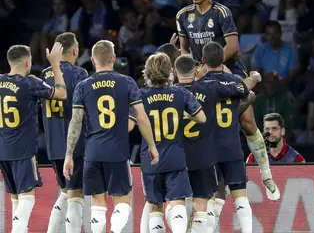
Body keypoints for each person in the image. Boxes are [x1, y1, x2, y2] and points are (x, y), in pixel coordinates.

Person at [63, 40, 159, 233]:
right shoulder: (128, 82)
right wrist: (152, 145)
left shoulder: (83, 86)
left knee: (98, 203)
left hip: (93, 152)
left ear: (92, 60)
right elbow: (141, 117)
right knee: (123, 202)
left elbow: (76, 121)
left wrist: (69, 154)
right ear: (113, 58)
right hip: (118, 151)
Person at [175, 54, 263, 233]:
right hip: (208, 153)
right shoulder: (209, 88)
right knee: (210, 203)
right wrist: (254, 78)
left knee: (176, 204)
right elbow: (244, 90)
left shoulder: (172, 93)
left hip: (180, 155)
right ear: (196, 69)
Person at [200, 42, 279, 233]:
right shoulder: (235, 83)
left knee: (212, 198)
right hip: (232, 147)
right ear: (222, 60)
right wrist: (254, 77)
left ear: (203, 61)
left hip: (209, 149)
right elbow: (249, 93)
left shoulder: (199, 86)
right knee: (241, 198)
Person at [0, 43, 67, 233]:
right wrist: (55, 64)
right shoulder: (29, 83)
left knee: (15, 198)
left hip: (3, 149)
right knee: (27, 198)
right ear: (28, 61)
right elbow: (61, 93)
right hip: (22, 149)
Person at [140, 53, 206, 233]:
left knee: (155, 208)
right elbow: (201, 117)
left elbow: (130, 124)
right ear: (170, 71)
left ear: (147, 72)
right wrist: (181, 113)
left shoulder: (140, 96)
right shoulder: (180, 93)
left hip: (150, 159)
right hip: (175, 156)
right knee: (177, 204)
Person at [41, 33, 88, 233]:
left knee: (65, 191)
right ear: (75, 51)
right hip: (74, 143)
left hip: (53, 144)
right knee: (76, 194)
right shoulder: (80, 74)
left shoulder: (44, 74)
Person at [176, 0, 247, 78]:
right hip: (199, 71)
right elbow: (184, 48)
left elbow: (233, 46)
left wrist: (210, 66)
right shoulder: (182, 15)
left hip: (227, 67)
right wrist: (192, 68)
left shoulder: (221, 12)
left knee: (247, 93)